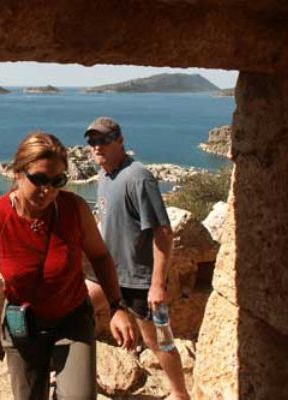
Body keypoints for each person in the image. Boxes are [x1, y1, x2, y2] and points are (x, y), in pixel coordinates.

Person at [0, 131, 137, 400]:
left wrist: (117, 306)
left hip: (72, 319)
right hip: (22, 324)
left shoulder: (74, 209)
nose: (47, 190)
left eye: (57, 181)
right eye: (38, 179)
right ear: (17, 173)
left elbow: (100, 256)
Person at [83, 117, 191, 400]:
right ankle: (75, 378)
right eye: (92, 142)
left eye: (104, 140)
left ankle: (181, 394)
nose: (97, 147)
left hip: (140, 280)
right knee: (76, 311)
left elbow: (163, 233)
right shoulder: (104, 177)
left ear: (120, 141)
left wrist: (157, 284)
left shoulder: (138, 177)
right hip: (110, 272)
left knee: (159, 342)